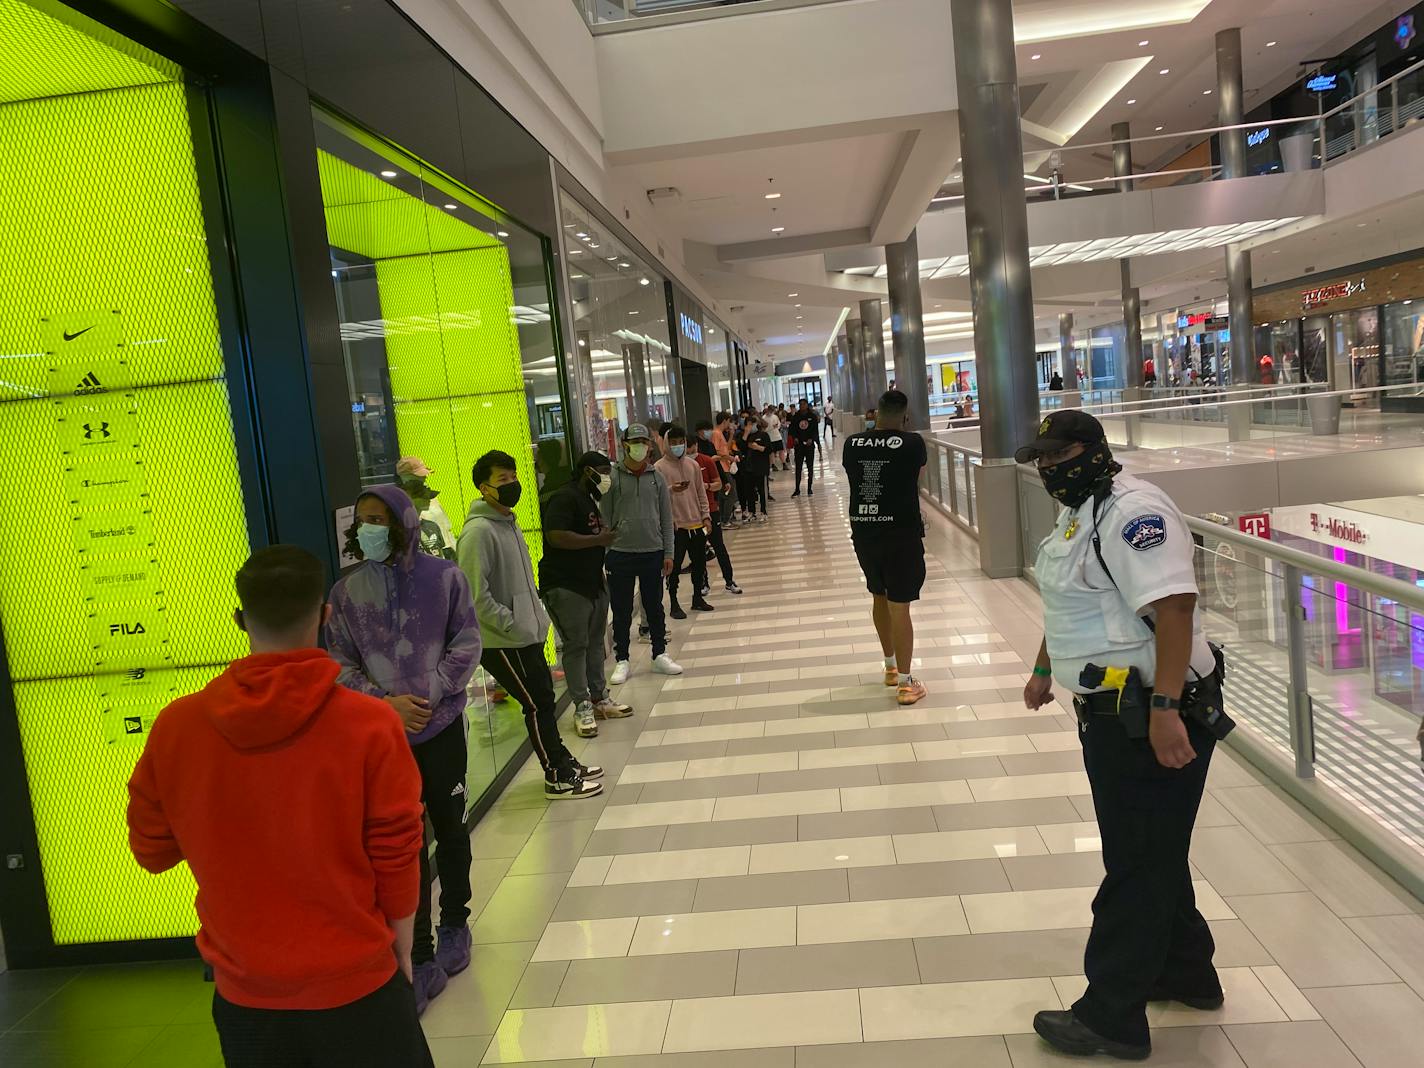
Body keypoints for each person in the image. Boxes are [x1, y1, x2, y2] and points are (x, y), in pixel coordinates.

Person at [127, 545, 435, 1067]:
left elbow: (151, 851)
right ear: (324, 615)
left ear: (239, 619)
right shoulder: (371, 724)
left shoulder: (177, 727)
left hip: (247, 993)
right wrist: (402, 947)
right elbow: (397, 849)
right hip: (358, 981)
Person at [1018, 410, 1226, 1061]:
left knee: (1135, 862)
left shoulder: (1137, 513)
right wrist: (1045, 667)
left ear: (1094, 450)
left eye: (1061, 455)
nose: (1050, 468)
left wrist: (1165, 708)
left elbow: (1175, 608)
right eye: (1043, 459)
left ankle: (1111, 1016)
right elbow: (1073, 597)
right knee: (1152, 849)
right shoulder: (1083, 510)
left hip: (1147, 712)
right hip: (1112, 706)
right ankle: (1185, 972)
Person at [325, 484, 481, 1014]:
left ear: (404, 523)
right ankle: (417, 951)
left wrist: (426, 694)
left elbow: (467, 643)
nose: (369, 528)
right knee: (401, 840)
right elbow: (339, 663)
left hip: (440, 729)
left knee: (450, 825)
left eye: (380, 519)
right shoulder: (345, 595)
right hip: (382, 737)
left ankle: (455, 921)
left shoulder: (445, 579)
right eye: (363, 519)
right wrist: (384, 704)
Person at [458, 450, 603, 801]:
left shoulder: (509, 522)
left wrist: (531, 621)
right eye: (502, 480)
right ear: (484, 487)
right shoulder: (477, 533)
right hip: (503, 641)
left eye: (513, 477)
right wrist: (515, 627)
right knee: (537, 704)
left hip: (525, 634)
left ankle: (562, 761)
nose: (511, 485)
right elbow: (476, 597)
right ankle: (557, 776)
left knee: (543, 702)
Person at [842, 390, 928, 706]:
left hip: (864, 532)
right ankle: (906, 683)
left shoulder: (852, 445)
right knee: (899, 605)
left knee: (878, 595)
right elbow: (917, 477)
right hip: (901, 534)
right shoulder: (913, 443)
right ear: (905, 417)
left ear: (875, 413)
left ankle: (891, 667)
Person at [540, 450, 634, 735]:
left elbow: (589, 534)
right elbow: (555, 536)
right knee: (576, 645)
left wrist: (602, 535)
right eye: (603, 472)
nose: (607, 478)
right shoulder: (564, 497)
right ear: (587, 472)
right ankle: (581, 705)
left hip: (592, 582)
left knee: (595, 644)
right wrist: (598, 539)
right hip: (567, 585)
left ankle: (598, 698)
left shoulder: (588, 500)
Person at [602, 424, 682, 682]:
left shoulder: (656, 477)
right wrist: (606, 551)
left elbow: (666, 518)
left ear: (650, 445)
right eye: (635, 441)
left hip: (652, 551)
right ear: (625, 444)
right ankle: (622, 659)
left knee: (654, 606)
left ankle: (660, 653)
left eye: (644, 441)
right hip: (620, 553)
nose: (640, 446)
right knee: (622, 609)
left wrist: (668, 552)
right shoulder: (612, 478)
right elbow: (604, 517)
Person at [654, 425, 715, 618]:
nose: (678, 446)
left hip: (696, 522)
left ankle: (697, 598)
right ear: (666, 444)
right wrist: (672, 489)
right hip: (675, 526)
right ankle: (673, 603)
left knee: (699, 564)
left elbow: (701, 492)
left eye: (681, 442)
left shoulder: (693, 465)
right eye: (673, 443)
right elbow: (657, 498)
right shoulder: (659, 468)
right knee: (674, 567)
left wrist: (706, 516)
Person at [694, 419, 742, 595]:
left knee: (719, 545)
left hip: (711, 506)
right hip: (694, 512)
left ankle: (729, 580)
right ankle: (703, 583)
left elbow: (716, 470)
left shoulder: (706, 454)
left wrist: (722, 482)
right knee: (699, 550)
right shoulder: (686, 464)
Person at [397, 456, 457, 560]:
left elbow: (446, 535)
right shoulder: (403, 508)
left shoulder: (432, 501)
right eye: (419, 475)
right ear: (405, 478)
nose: (424, 477)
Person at [738, 415, 771, 522]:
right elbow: (741, 448)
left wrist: (758, 447)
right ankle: (751, 512)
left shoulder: (763, 435)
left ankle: (763, 511)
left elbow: (769, 449)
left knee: (761, 490)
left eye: (752, 424)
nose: (750, 427)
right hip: (747, 468)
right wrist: (746, 434)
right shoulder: (744, 436)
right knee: (749, 491)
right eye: (748, 424)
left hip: (760, 467)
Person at [789, 398, 820, 498]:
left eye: (803, 404)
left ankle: (809, 489)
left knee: (810, 467)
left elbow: (815, 430)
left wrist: (812, 439)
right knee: (798, 468)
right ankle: (797, 489)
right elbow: (792, 430)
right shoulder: (796, 417)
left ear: (807, 405)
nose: (802, 406)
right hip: (799, 446)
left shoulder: (812, 416)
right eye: (800, 404)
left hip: (809, 446)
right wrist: (795, 438)